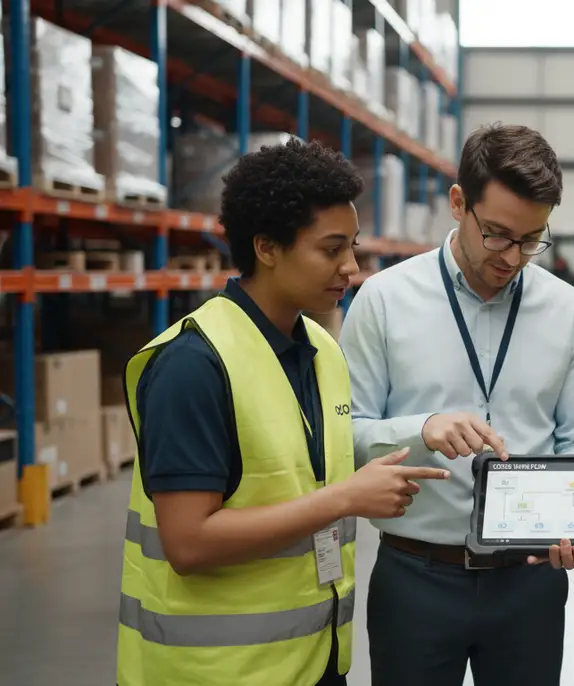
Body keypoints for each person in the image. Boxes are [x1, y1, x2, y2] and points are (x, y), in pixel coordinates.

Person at [116, 139, 450, 686]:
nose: (351, 268)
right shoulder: (193, 365)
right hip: (214, 672)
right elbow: (188, 543)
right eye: (331, 249)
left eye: (354, 247)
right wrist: (346, 498)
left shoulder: (321, 351)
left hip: (312, 660)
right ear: (267, 247)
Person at [338, 123, 574, 686]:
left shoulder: (569, 310)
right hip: (416, 576)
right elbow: (347, 434)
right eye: (498, 235)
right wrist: (422, 428)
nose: (514, 257)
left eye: (532, 240)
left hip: (529, 583)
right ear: (459, 203)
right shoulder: (383, 300)